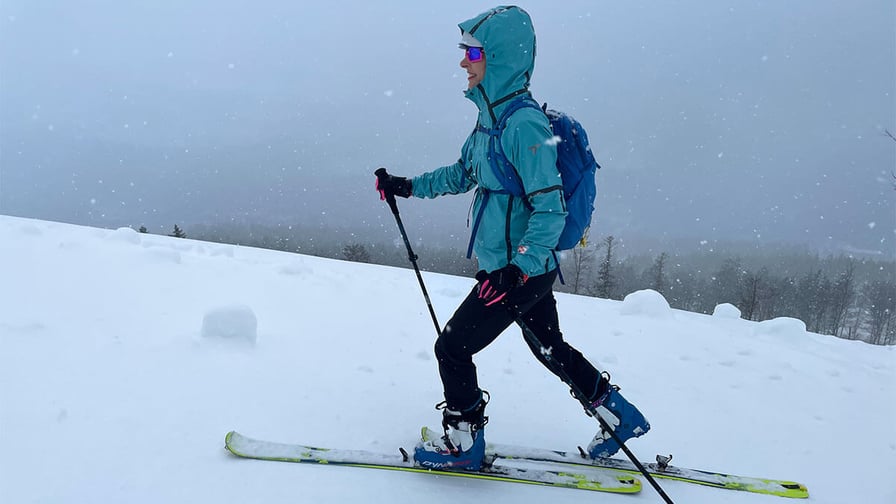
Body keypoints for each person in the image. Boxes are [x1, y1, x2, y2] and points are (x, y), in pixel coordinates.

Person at [375, 6, 649, 471]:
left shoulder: (524, 125)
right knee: (549, 348)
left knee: (453, 348)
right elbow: (463, 173)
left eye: (474, 53)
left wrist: (516, 268)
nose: (464, 62)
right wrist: (408, 185)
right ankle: (620, 415)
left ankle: (464, 444)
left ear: (499, 59)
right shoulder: (490, 120)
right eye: (465, 53)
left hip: (519, 270)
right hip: (519, 269)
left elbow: (550, 206)